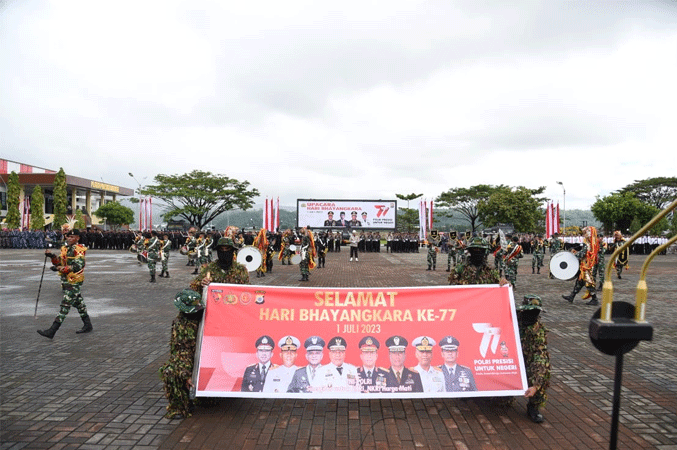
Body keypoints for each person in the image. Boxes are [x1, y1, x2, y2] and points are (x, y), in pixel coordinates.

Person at [38, 223, 93, 339]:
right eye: (68, 236)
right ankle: (88, 325)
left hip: (75, 280)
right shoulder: (65, 248)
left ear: (77, 238)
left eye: (72, 237)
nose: (69, 238)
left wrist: (61, 269)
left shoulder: (79, 249)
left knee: (65, 305)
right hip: (67, 280)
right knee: (79, 304)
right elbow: (59, 262)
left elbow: (78, 265)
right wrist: (51, 256)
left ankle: (52, 330)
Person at [159, 289, 204, 419]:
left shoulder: (207, 318)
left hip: (207, 359)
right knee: (170, 372)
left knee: (209, 402)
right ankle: (179, 406)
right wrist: (187, 375)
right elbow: (182, 353)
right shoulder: (181, 325)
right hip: (188, 361)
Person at [514, 295, 551, 423]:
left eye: (535, 312)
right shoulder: (512, 320)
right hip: (511, 360)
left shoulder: (538, 331)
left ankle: (533, 407)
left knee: (543, 375)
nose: (531, 315)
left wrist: (535, 386)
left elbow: (540, 359)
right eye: (529, 311)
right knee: (501, 402)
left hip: (527, 362)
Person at [562, 226, 600, 306]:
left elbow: (583, 253)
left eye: (585, 233)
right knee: (580, 281)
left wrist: (574, 254)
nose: (584, 235)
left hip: (587, 266)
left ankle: (595, 299)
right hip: (586, 265)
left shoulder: (588, 244)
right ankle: (572, 296)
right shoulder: (592, 242)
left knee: (589, 282)